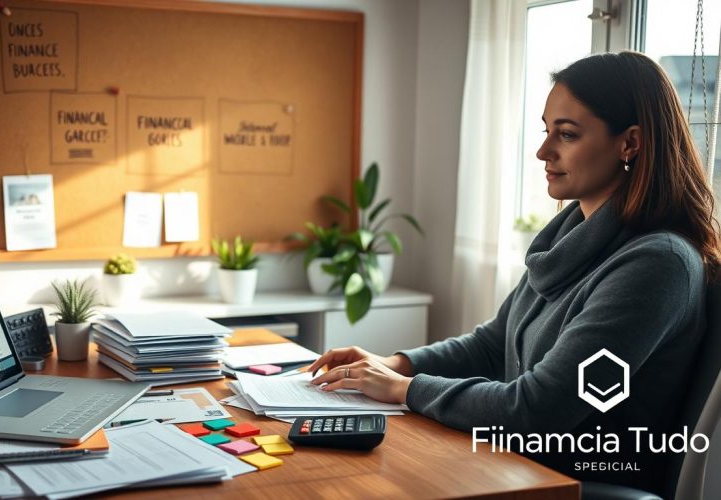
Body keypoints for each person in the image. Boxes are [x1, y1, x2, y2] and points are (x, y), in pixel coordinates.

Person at [308, 51, 721, 495]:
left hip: (572, 483)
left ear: (630, 143)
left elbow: (537, 409)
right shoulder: (569, 242)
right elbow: (492, 344)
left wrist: (404, 389)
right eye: (547, 131)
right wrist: (393, 364)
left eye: (567, 134)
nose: (544, 151)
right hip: (511, 463)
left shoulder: (657, 265)